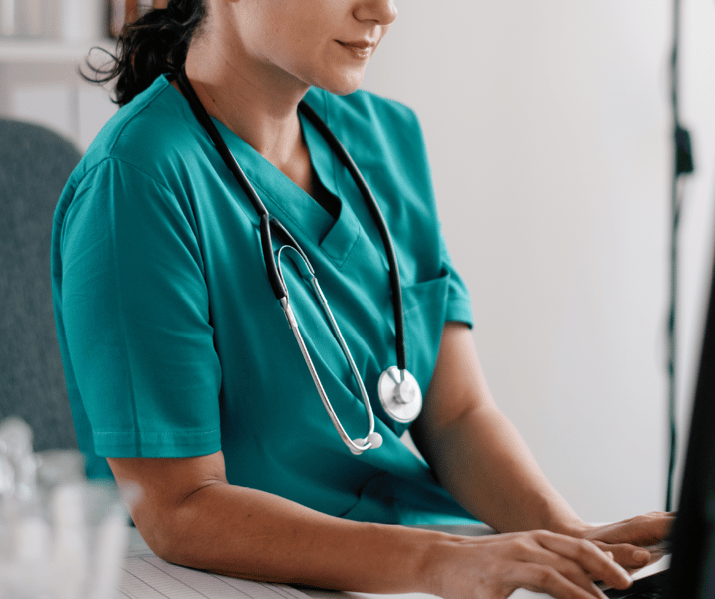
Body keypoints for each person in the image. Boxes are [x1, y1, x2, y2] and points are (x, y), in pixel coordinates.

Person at [51, 1, 673, 598]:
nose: (385, 10)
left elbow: (455, 414)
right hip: (243, 577)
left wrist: (571, 539)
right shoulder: (136, 184)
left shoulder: (384, 137)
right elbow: (179, 509)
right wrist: (441, 564)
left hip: (432, 560)